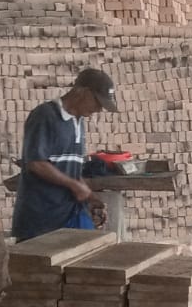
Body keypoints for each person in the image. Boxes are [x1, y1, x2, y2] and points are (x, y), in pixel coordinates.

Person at [10, 67, 119, 241]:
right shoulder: (45, 115)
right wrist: (74, 186)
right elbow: (36, 163)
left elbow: (71, 170)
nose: (99, 109)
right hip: (40, 220)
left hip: (69, 215)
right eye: (98, 102)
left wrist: (90, 198)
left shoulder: (79, 122)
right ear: (82, 91)